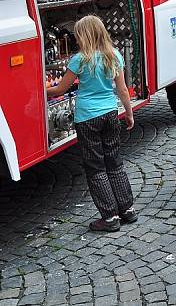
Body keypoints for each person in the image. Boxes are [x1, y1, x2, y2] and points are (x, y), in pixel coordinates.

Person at [46, 15, 137, 232]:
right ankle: (127, 209)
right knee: (114, 161)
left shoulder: (80, 59)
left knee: (95, 167)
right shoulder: (114, 55)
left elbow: (60, 89)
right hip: (110, 114)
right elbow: (123, 89)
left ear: (84, 36)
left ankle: (109, 218)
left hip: (87, 118)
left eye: (77, 34)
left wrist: (38, 89)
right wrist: (129, 113)